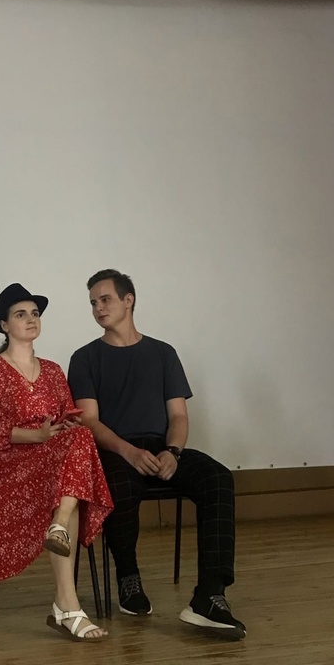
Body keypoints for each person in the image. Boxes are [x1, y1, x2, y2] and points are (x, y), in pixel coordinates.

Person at [68, 269, 245, 639]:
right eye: (93, 303)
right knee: (118, 484)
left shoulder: (163, 353)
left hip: (161, 448)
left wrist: (173, 452)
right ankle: (128, 577)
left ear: (128, 300)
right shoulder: (85, 358)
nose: (98, 308)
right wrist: (130, 452)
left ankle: (210, 595)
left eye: (105, 300)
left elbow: (178, 416)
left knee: (217, 478)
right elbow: (90, 422)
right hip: (115, 449)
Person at [0, 283, 114, 642]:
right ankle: (66, 603)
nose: (31, 319)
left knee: (80, 438)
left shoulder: (53, 370)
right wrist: (38, 435)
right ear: (4, 325)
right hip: (6, 468)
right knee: (69, 489)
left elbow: (67, 415)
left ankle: (61, 545)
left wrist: (66, 425)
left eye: (35, 313)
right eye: (21, 314)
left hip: (50, 465)